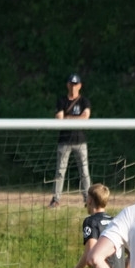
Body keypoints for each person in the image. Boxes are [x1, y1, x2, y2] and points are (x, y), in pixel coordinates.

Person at [49, 74, 91, 208]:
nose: (73, 87)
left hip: (80, 141)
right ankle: (56, 199)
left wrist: (68, 118)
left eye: (75, 84)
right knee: (60, 171)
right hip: (64, 141)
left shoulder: (84, 101)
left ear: (80, 86)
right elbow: (59, 119)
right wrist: (76, 118)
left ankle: (88, 199)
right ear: (68, 85)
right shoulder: (61, 101)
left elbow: (85, 117)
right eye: (71, 84)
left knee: (84, 172)